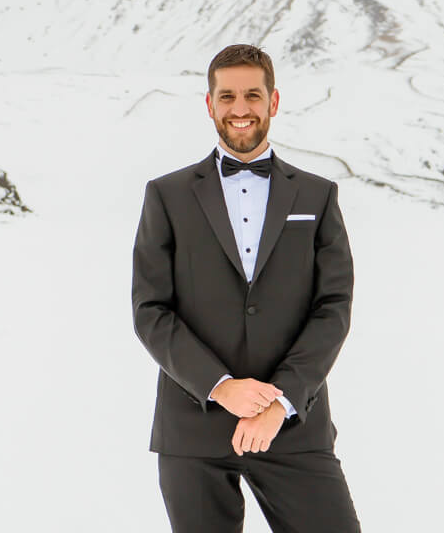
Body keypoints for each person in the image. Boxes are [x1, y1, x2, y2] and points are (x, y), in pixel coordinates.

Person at [132, 43, 362, 532]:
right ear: (210, 104)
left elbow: (333, 308)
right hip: (193, 428)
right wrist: (221, 387)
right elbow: (151, 310)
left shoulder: (318, 195)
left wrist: (280, 401)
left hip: (293, 426)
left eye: (253, 95)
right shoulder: (167, 195)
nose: (241, 108)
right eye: (228, 96)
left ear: (273, 101)